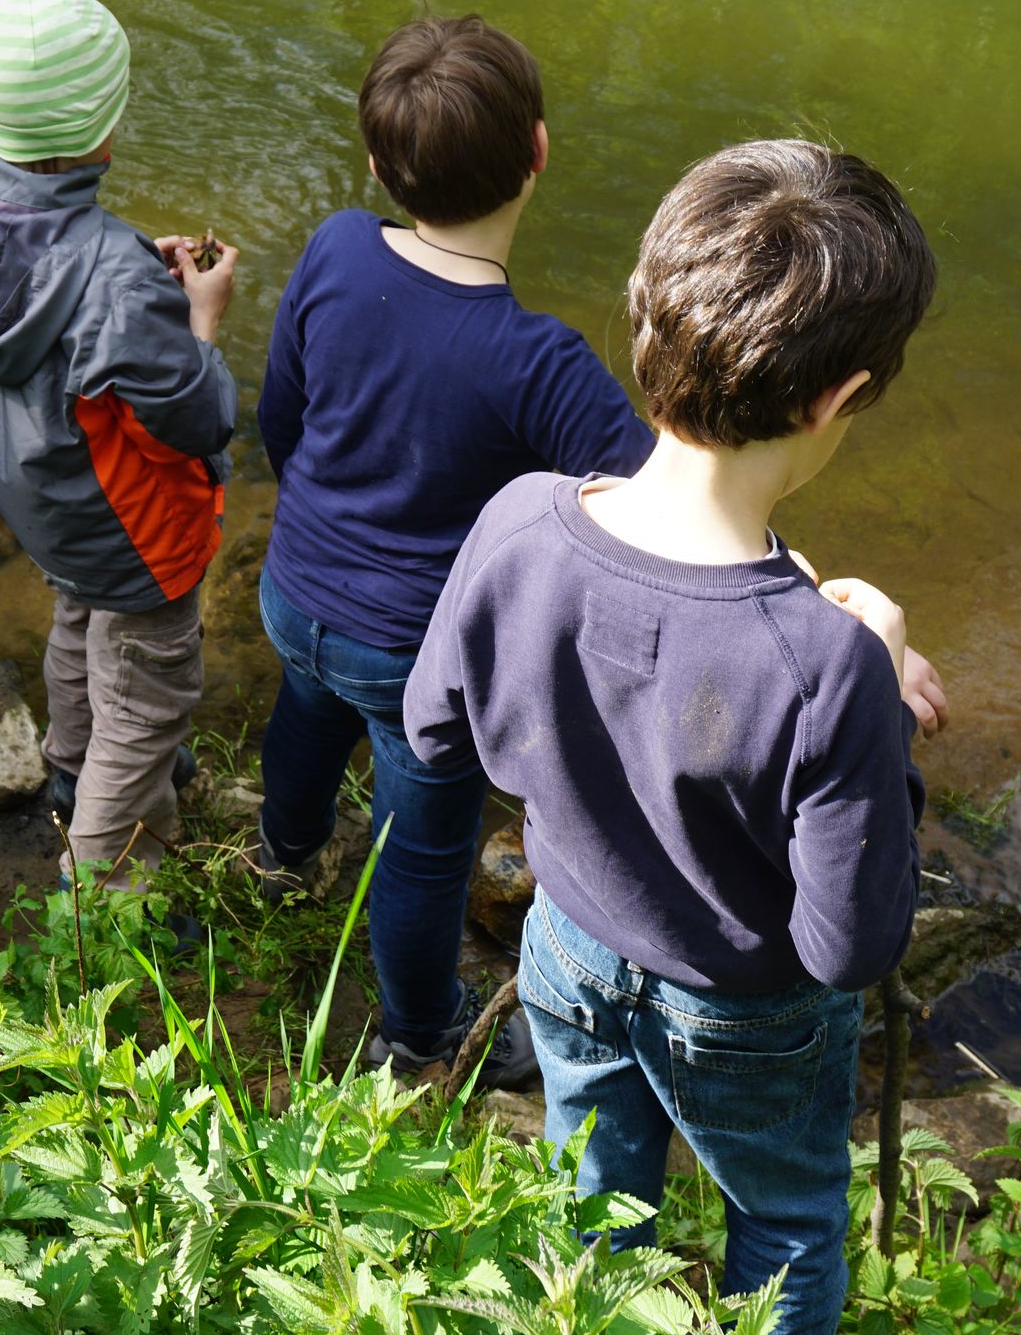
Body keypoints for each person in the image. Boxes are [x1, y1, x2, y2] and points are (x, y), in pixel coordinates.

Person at [403, 138, 947, 1329]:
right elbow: (849, 943)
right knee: (789, 1225)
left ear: (649, 311)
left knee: (593, 1198)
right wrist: (879, 691)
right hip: (745, 1017)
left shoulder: (518, 522)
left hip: (568, 953)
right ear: (840, 399)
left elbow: (437, 730)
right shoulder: (831, 666)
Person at [255, 15, 656, 1087]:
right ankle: (419, 1032)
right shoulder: (539, 361)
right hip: (415, 654)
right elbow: (669, 507)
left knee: (306, 704)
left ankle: (280, 853)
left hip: (295, 588)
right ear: (539, 151)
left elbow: (278, 421)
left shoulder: (337, 247)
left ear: (379, 165)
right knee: (425, 849)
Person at [0, 0, 237, 887]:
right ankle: (96, 892)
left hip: (48, 511)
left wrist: (139, 286)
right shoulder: (116, 277)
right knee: (148, 701)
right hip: (138, 539)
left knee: (77, 622)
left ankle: (65, 763)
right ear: (105, 123)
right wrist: (198, 317)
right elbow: (197, 416)